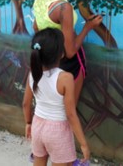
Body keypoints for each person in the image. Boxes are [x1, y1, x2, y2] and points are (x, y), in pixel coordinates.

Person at [32, 0, 102, 101]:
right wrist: (88, 27)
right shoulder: (64, 7)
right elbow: (70, 52)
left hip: (50, 60)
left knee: (52, 107)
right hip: (69, 65)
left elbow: (36, 26)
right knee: (67, 112)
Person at [22, 28, 90, 166]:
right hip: (58, 132)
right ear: (61, 54)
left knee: (38, 161)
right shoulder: (65, 78)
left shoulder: (33, 74)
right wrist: (83, 144)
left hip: (37, 126)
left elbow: (25, 104)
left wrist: (28, 123)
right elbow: (71, 114)